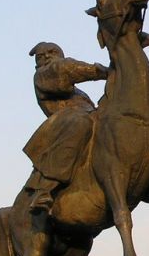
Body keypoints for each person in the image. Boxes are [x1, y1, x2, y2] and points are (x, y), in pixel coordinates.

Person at [22, 42, 108, 213]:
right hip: (66, 123)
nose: (46, 56)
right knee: (80, 124)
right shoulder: (43, 75)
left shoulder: (78, 92)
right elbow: (64, 70)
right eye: (41, 55)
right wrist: (100, 71)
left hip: (89, 117)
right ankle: (45, 188)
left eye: (51, 52)